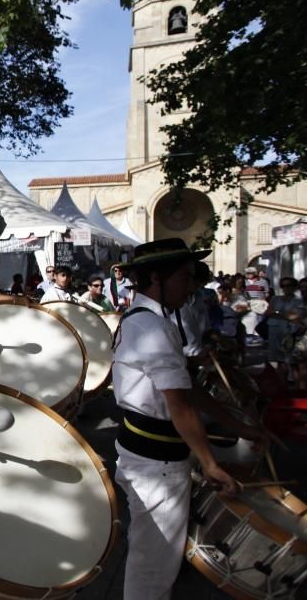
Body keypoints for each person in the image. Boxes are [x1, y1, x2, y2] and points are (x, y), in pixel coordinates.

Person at [112, 238, 267, 600]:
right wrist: (211, 464)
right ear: (155, 278)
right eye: (184, 277)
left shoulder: (148, 320)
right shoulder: (151, 327)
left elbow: (188, 388)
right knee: (152, 569)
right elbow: (180, 405)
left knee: (153, 560)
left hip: (151, 456)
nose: (192, 284)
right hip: (156, 464)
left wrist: (240, 426)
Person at [265, 276, 302, 376]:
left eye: (289, 285)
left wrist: (277, 312)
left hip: (288, 331)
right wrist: (284, 313)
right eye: (283, 285)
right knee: (278, 359)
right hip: (274, 330)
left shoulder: (298, 301)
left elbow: (294, 316)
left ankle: (293, 382)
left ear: (295, 287)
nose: (286, 288)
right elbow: (268, 312)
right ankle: (282, 383)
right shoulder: (275, 298)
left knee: (290, 358)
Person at [243, 266, 268, 344]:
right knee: (249, 320)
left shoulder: (263, 282)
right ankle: (249, 337)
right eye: (247, 273)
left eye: (249, 273)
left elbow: (267, 292)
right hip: (249, 302)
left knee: (260, 320)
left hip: (260, 303)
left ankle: (259, 337)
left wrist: (263, 301)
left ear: (254, 273)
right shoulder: (245, 282)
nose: (248, 275)